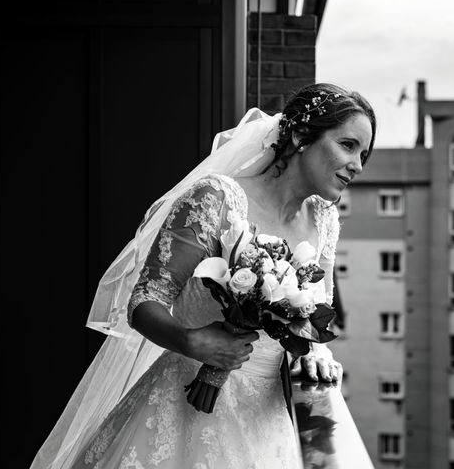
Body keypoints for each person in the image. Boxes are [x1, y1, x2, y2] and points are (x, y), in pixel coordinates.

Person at [31, 83, 376, 469]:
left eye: (364, 154)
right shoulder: (216, 198)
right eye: (348, 146)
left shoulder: (325, 220)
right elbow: (145, 300)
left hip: (269, 420)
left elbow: (315, 312)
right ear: (300, 135)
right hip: (185, 407)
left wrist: (316, 351)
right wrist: (191, 341)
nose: (358, 165)